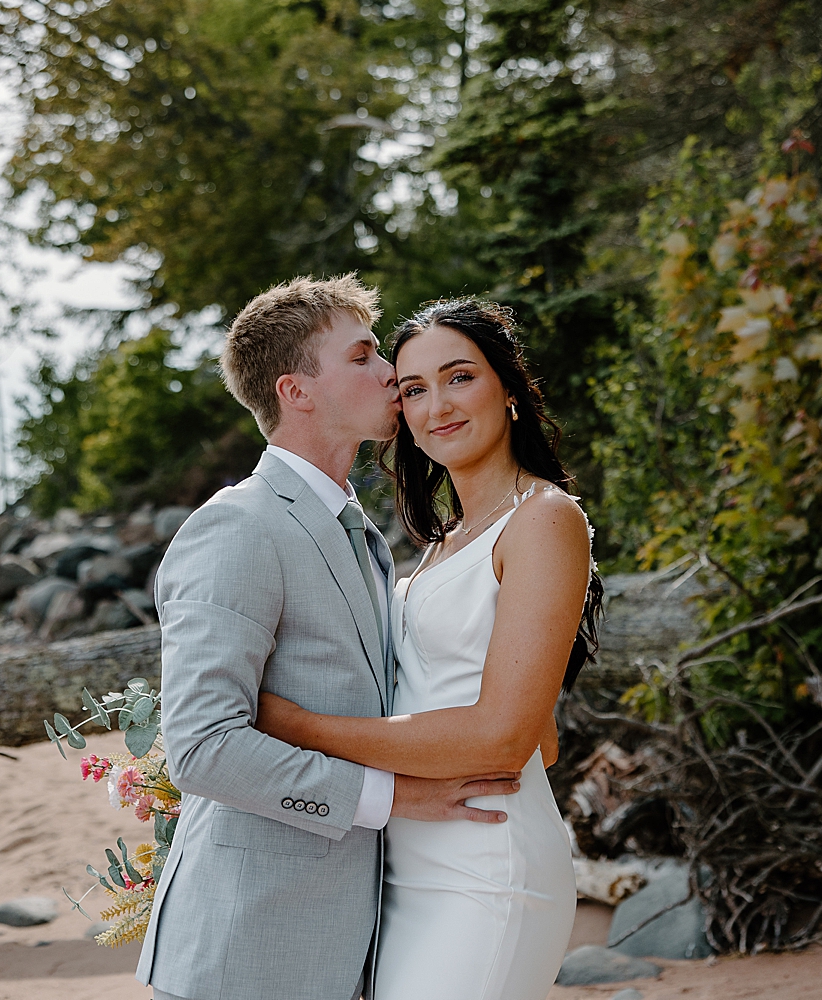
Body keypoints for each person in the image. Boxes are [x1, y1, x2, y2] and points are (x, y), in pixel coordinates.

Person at [134, 276, 525, 1000]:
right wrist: (391, 797)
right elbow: (202, 747)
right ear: (296, 391)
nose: (391, 374)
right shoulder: (239, 526)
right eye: (364, 355)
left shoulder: (360, 532)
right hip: (247, 950)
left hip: (352, 948)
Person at [256, 298, 603, 1000]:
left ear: (508, 389)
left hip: (486, 866)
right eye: (414, 389)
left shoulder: (544, 520)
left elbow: (505, 740)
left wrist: (295, 728)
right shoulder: (442, 544)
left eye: (460, 377)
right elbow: (540, 734)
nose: (437, 404)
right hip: (405, 867)